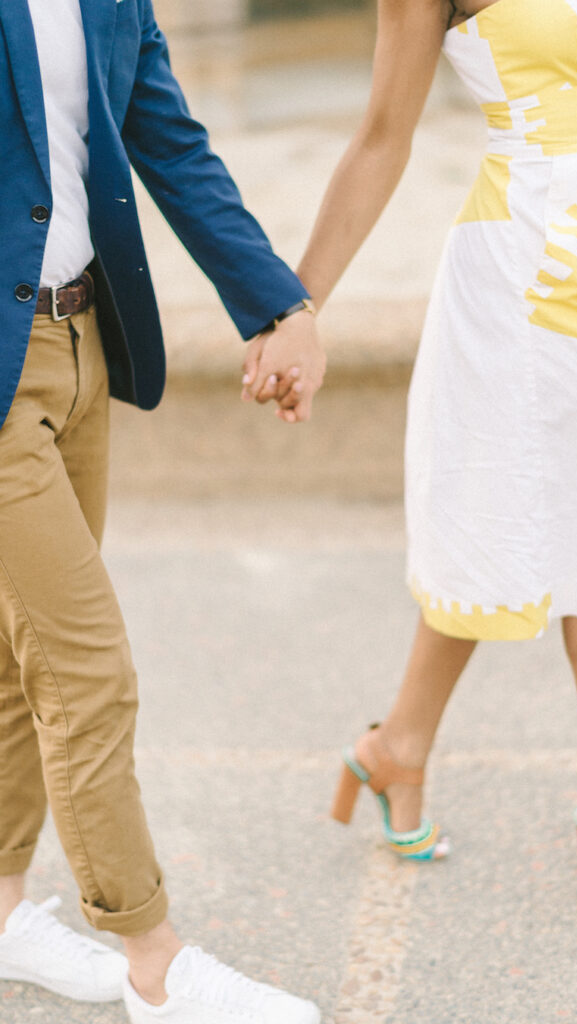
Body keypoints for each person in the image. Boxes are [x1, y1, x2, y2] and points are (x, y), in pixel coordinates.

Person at [250, 0, 577, 899]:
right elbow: (380, 139)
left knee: (503, 525)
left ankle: (395, 750)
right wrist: (291, 312)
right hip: (529, 271)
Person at [0, 1, 325, 1022]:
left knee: (23, 659)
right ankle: (153, 962)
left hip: (80, 342)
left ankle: (1, 907)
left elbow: (166, 138)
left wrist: (279, 303)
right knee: (86, 663)